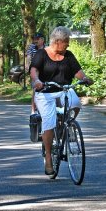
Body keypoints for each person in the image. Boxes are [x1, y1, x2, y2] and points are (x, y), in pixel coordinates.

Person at [30, 26, 93, 176]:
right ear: (57, 41)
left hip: (64, 90)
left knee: (76, 103)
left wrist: (84, 78)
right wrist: (37, 81)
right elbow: (34, 70)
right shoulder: (41, 54)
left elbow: (77, 71)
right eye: (66, 41)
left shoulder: (68, 55)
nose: (68, 44)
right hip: (45, 93)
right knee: (49, 122)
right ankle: (48, 158)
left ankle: (65, 126)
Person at [26, 31, 46, 115]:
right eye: (34, 39)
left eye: (37, 39)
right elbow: (28, 57)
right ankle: (33, 110)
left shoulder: (47, 47)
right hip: (35, 70)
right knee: (35, 88)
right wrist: (27, 66)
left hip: (45, 70)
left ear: (42, 40)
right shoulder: (32, 47)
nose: (35, 41)